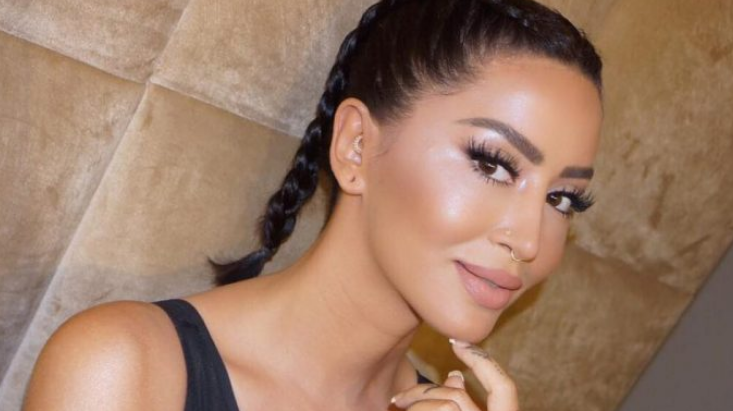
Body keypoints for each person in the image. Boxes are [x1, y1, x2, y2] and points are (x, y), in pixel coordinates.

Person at [22, 0, 603, 410]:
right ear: (356, 146)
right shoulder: (124, 370)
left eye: (561, 198)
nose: (530, 240)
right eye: (493, 164)